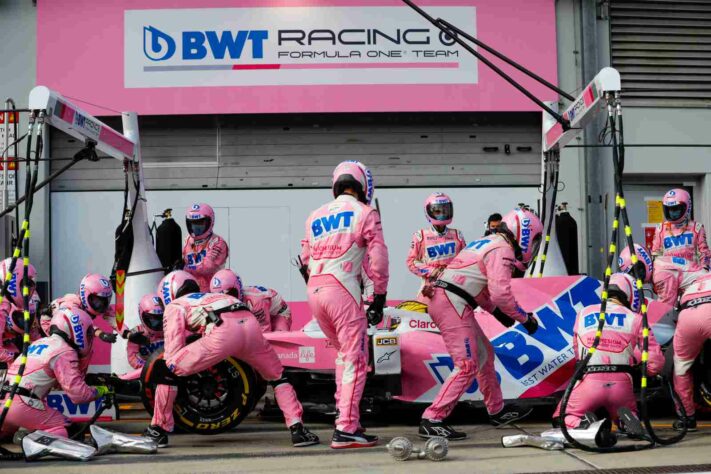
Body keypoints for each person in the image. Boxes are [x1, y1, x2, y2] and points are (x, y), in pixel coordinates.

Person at [144, 271, 319, 448]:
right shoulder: (211, 296)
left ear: (167, 294)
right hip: (250, 324)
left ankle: (158, 430)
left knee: (166, 369)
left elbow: (173, 349)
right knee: (278, 378)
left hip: (223, 332)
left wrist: (177, 365)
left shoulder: (175, 305)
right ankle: (298, 430)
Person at [417, 208, 542, 440]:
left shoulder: (487, 242)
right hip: (452, 302)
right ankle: (432, 418)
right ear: (524, 233)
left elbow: (474, 286)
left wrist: (497, 312)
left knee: (485, 354)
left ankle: (496, 410)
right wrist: (525, 319)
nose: (532, 247)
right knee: (467, 365)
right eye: (533, 240)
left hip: (450, 299)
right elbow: (500, 294)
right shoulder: (502, 249)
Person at [300, 160, 388, 449]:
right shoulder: (365, 212)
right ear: (363, 186)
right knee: (356, 360)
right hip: (343, 289)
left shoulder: (314, 215)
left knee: (343, 359)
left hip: (315, 289)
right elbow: (378, 259)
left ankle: (347, 420)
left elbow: (304, 258)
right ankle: (346, 428)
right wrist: (380, 296)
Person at [552, 273, 664, 429]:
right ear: (630, 294)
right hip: (622, 384)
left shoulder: (583, 313)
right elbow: (655, 359)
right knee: (625, 410)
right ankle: (627, 420)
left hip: (590, 380)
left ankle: (581, 423)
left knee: (561, 418)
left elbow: (578, 352)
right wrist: (649, 372)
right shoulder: (636, 319)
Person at [0, 306, 111, 439]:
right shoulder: (65, 351)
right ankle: (28, 439)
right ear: (77, 329)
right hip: (22, 404)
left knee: (6, 436)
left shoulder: (39, 342)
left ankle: (24, 437)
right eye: (87, 332)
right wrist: (104, 390)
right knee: (71, 431)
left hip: (4, 401)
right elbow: (78, 395)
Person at [651, 188, 711, 306]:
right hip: (669, 276)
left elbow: (705, 253)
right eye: (669, 209)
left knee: (691, 307)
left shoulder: (696, 228)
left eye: (676, 209)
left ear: (687, 207)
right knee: (665, 310)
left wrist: (705, 273)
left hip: (689, 277)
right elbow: (655, 255)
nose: (672, 212)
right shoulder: (660, 228)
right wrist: (656, 279)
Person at [406, 192, 466, 302]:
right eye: (438, 211)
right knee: (423, 316)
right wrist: (433, 271)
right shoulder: (421, 235)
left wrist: (451, 271)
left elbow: (466, 261)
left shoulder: (457, 235)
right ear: (428, 211)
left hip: (453, 288)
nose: (442, 214)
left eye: (445, 210)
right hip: (429, 289)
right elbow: (411, 262)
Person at [672, 273, 711, 432]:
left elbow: (674, 313)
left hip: (688, 316)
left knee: (681, 369)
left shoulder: (691, 285)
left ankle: (686, 417)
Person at [39, 273, 117, 344]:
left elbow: (113, 319)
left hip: (67, 325)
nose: (100, 304)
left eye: (103, 301)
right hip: (50, 324)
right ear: (86, 294)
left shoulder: (97, 305)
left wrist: (127, 333)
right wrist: (101, 334)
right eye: (97, 300)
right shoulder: (72, 304)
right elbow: (81, 325)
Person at [210, 269, 292, 332]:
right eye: (220, 297)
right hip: (257, 311)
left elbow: (264, 332)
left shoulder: (255, 301)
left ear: (238, 287)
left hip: (278, 314)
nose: (227, 299)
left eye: (229, 294)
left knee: (275, 342)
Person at [182, 203, 229, 292]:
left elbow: (207, 267)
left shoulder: (218, 242)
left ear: (210, 221)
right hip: (189, 291)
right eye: (192, 223)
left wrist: (184, 268)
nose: (195, 226)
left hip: (212, 291)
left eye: (200, 222)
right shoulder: (187, 240)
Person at [125, 294, 165, 369]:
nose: (159, 323)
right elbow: (133, 358)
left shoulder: (171, 327)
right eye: (154, 320)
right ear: (142, 315)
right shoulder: (136, 332)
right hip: (146, 373)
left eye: (162, 318)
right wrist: (149, 367)